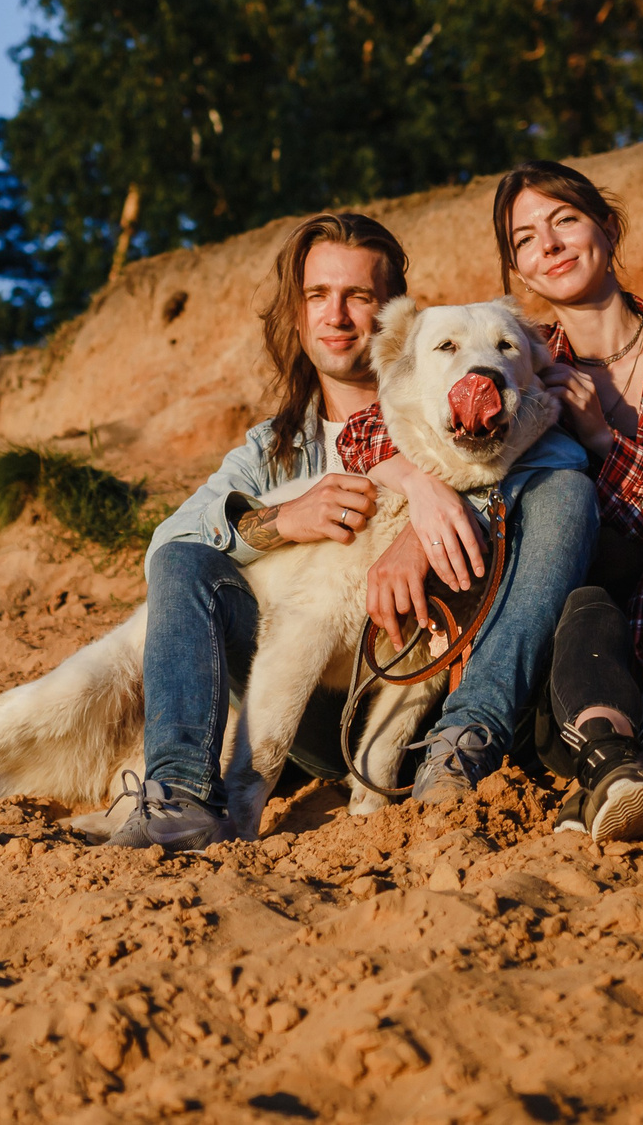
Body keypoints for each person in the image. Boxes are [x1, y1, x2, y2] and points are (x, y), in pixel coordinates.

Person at [106, 211, 598, 851]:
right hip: (292, 699)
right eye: (317, 295)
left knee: (564, 488)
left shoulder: (471, 401)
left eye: (359, 296)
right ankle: (178, 797)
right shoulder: (272, 451)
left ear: (392, 319)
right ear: (298, 310)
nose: (336, 316)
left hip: (423, 683)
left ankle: (458, 741)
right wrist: (283, 519)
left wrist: (430, 505)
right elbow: (169, 548)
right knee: (183, 561)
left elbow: (547, 461)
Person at [338, 159, 643, 843]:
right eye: (524, 238)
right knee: (582, 600)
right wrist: (422, 489)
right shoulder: (518, 358)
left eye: (565, 220)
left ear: (606, 227)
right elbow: (368, 426)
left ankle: (642, 752)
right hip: (580, 704)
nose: (547, 244)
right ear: (519, 273)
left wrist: (606, 442)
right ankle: (615, 759)